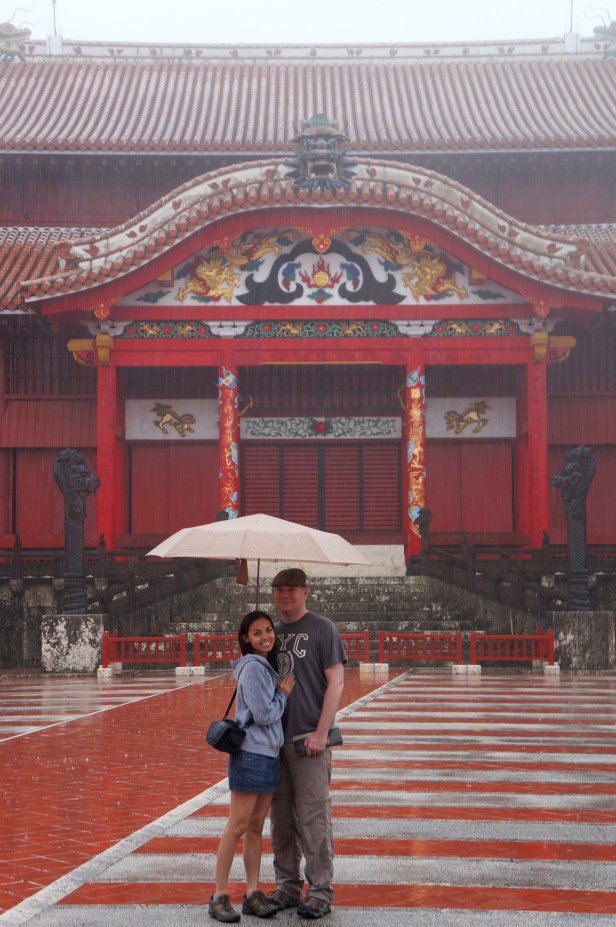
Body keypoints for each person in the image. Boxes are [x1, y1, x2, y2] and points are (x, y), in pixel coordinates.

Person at [266, 568, 347, 920]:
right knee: (280, 819)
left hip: (308, 740)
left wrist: (322, 732)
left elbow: (337, 682)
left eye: (291, 590)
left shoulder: (321, 628)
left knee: (313, 818)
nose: (284, 596)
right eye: (278, 590)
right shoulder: (269, 633)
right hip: (273, 742)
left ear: (305, 592)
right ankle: (286, 885)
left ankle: (319, 890)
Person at [209, 610, 296, 923]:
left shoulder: (263, 667)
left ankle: (252, 892)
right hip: (252, 754)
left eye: (269, 631)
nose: (265, 637)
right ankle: (219, 895)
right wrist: (283, 695)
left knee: (257, 826)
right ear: (245, 638)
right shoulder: (254, 668)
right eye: (257, 633)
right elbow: (264, 714)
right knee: (237, 825)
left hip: (268, 753)